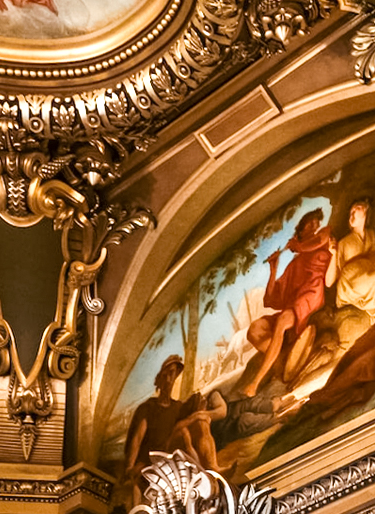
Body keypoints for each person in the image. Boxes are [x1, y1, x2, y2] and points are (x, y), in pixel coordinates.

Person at [241, 209, 335, 397]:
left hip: (311, 296)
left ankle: (255, 382)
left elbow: (317, 242)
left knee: (283, 320)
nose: (315, 226)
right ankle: (284, 355)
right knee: (254, 330)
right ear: (300, 230)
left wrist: (298, 246)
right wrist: (273, 270)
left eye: (317, 222)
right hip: (293, 306)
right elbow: (272, 298)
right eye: (310, 223)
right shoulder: (295, 263)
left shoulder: (324, 236)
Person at [121, 356, 222, 497]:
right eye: (165, 375)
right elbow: (137, 438)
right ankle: (202, 475)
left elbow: (184, 423)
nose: (169, 379)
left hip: (170, 449)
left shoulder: (177, 407)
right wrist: (130, 467)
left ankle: (212, 468)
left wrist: (199, 414)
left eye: (172, 374)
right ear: (159, 379)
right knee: (185, 432)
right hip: (152, 457)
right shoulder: (149, 407)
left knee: (196, 426)